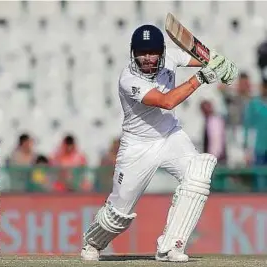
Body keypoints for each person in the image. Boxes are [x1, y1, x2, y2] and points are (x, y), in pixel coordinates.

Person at [80, 24, 238, 262]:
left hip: (170, 135)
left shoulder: (171, 57)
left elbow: (203, 60)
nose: (148, 58)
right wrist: (202, 77)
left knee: (198, 173)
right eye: (142, 52)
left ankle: (171, 247)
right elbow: (166, 102)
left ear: (161, 52)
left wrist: (219, 63)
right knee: (118, 216)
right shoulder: (128, 79)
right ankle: (92, 242)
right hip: (138, 145)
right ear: (133, 53)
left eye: (153, 52)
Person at [200, 100, 227, 164]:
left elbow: (217, 140)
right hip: (210, 156)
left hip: (215, 157)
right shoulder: (206, 120)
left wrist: (214, 156)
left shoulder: (215, 121)